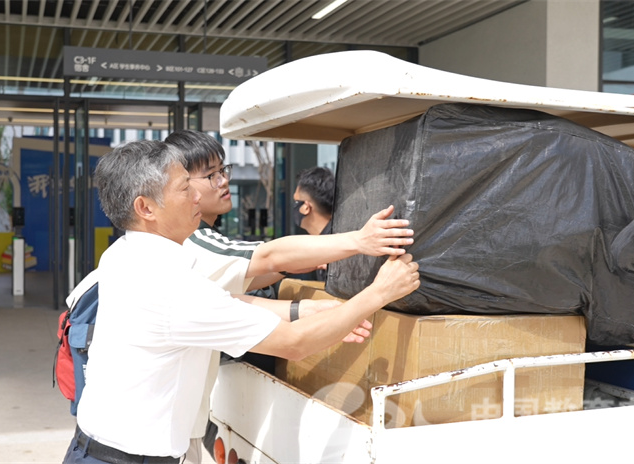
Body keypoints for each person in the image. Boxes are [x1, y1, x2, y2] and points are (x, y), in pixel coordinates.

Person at [62, 139, 419, 464]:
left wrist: (302, 309)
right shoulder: (173, 285)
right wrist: (379, 292)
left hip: (94, 448)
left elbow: (219, 302)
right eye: (185, 187)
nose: (198, 196)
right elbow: (293, 343)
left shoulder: (124, 253)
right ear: (146, 207)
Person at [164, 130, 415, 463]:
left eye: (223, 171)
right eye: (209, 176)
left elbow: (235, 296)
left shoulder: (143, 255)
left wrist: (301, 304)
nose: (223, 181)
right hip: (158, 441)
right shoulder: (194, 241)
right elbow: (269, 263)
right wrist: (361, 246)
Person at [292, 166, 335, 281]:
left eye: (296, 202)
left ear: (306, 207)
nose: (294, 207)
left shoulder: (332, 248)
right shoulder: (327, 240)